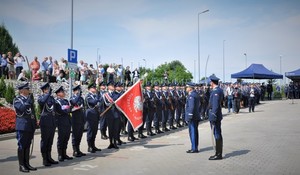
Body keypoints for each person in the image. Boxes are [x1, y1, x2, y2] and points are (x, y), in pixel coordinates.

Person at [14, 82, 37, 172]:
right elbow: (22, 109)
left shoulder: (29, 100)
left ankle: (27, 164)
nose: (28, 90)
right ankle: (21, 165)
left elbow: (32, 112)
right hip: (22, 125)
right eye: (27, 89)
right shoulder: (17, 100)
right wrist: (28, 101)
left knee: (28, 145)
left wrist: (34, 123)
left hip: (29, 125)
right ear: (22, 91)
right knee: (22, 145)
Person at [38, 83, 58, 166]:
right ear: (44, 90)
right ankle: (45, 159)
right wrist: (47, 94)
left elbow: (55, 108)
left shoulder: (52, 98)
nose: (49, 90)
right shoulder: (41, 97)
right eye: (47, 89)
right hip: (45, 122)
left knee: (50, 141)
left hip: (52, 122)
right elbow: (42, 102)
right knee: (45, 140)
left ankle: (49, 157)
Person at [54, 86, 73, 161]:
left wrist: (67, 109)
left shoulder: (65, 101)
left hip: (67, 121)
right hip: (61, 121)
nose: (64, 93)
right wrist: (67, 110)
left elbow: (69, 109)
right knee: (61, 138)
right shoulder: (56, 102)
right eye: (62, 92)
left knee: (66, 138)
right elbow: (60, 111)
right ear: (58, 94)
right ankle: (60, 154)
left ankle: (64, 153)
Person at [208, 75, 224, 160]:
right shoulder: (219, 90)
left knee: (217, 134)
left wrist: (213, 115)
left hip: (215, 116)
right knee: (217, 133)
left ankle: (218, 154)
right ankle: (218, 153)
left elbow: (215, 105)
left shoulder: (216, 92)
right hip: (217, 115)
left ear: (212, 82)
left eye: (210, 82)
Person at [85, 83, 102, 153]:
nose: (95, 89)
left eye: (95, 88)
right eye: (93, 88)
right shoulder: (88, 96)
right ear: (89, 89)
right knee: (90, 131)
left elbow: (100, 101)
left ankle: (93, 145)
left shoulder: (94, 96)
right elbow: (93, 102)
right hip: (90, 116)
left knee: (94, 131)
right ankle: (89, 146)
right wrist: (98, 97)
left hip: (95, 115)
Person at [69, 85, 86, 157]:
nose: (79, 91)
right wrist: (78, 96)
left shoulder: (81, 98)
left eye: (79, 90)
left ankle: (78, 149)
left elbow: (83, 107)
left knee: (79, 135)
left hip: (81, 118)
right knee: (75, 135)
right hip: (75, 119)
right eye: (77, 90)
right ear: (74, 91)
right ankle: (75, 150)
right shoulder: (72, 98)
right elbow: (74, 103)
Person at [185, 82, 200, 153]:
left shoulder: (192, 95)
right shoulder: (195, 94)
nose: (186, 88)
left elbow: (191, 106)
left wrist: (190, 115)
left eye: (187, 87)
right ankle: (194, 147)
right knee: (195, 132)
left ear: (190, 88)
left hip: (192, 117)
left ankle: (194, 148)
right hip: (196, 116)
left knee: (193, 132)